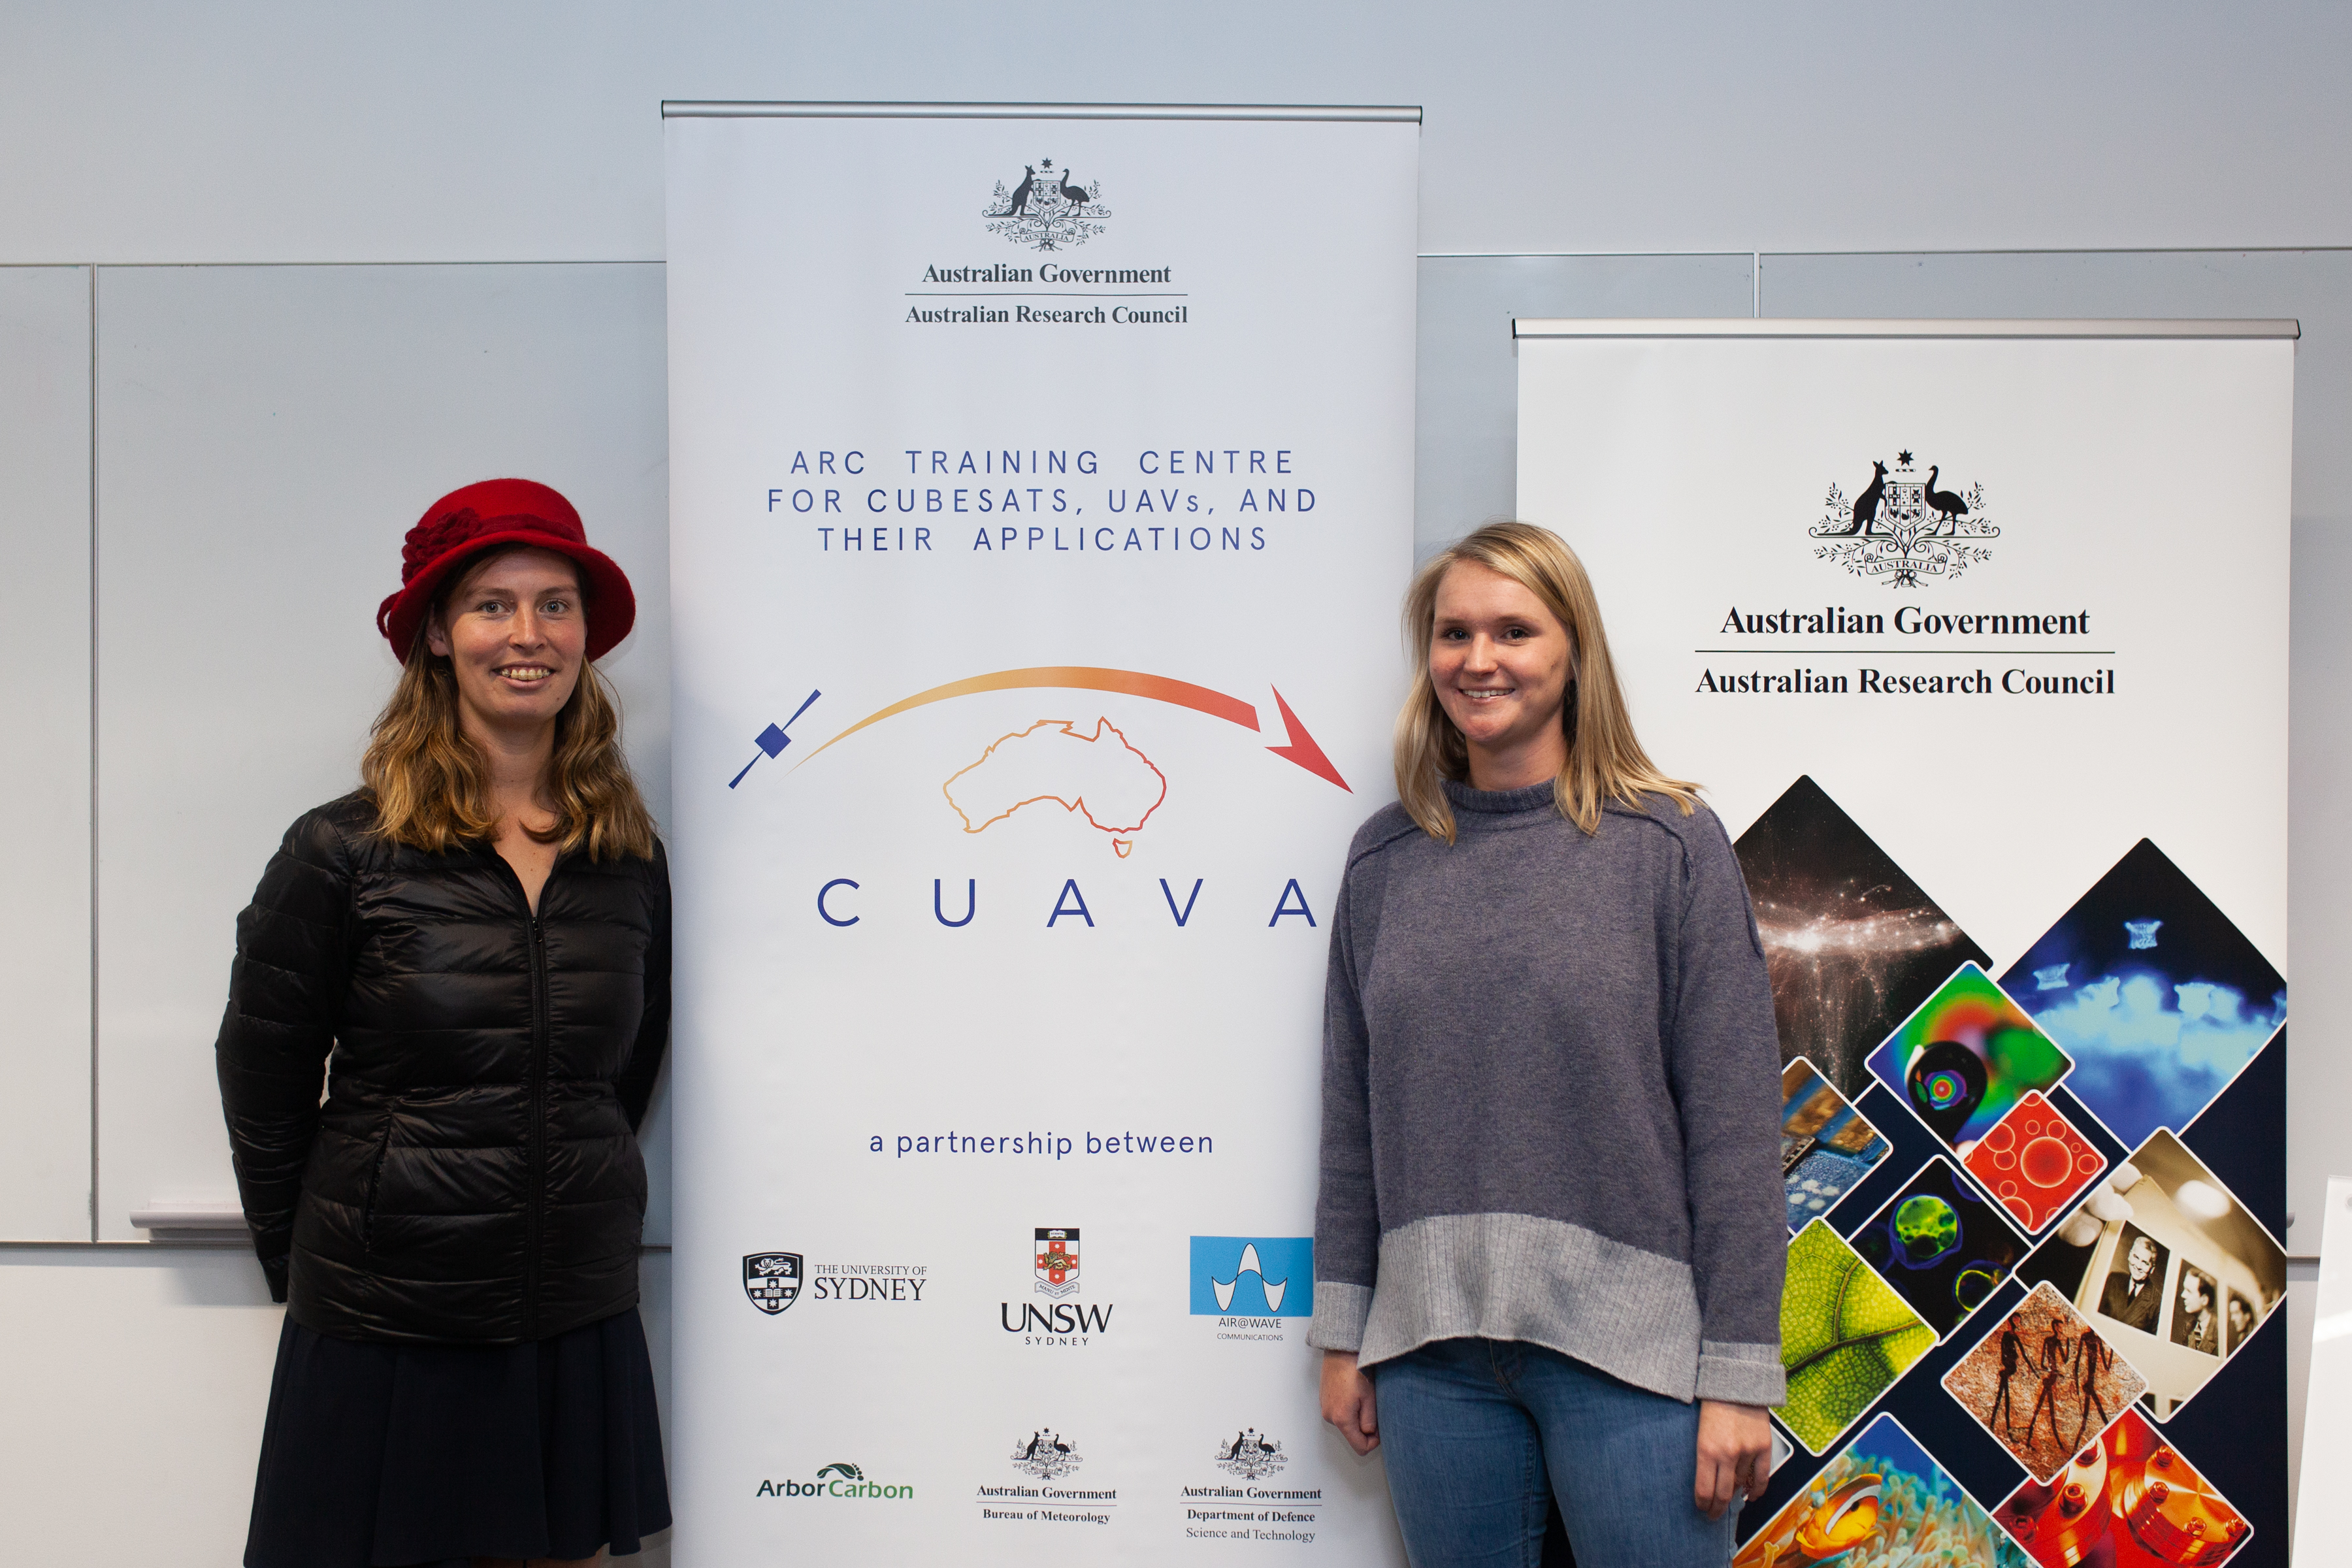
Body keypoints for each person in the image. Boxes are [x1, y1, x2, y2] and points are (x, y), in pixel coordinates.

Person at [216, 479, 672, 1568]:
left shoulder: (626, 855)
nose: (527, 635)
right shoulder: (341, 850)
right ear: (435, 634)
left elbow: (629, 1067)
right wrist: (320, 1266)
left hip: (571, 1311)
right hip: (390, 1319)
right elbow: (262, 1073)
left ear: (585, 637)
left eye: (555, 605)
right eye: (490, 605)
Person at [1311, 522, 1782, 1568]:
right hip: (1431, 1359)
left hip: (1636, 1359)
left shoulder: (1669, 844)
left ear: (1574, 651)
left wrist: (1740, 1375)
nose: (1479, 660)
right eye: (1454, 634)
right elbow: (1352, 1119)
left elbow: (1738, 1129)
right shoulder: (1384, 860)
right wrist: (1343, 1332)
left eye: (1514, 631)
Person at [2099, 1233, 2164, 1332]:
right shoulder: (2114, 1279)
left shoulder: (2157, 1302)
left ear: (2152, 1269)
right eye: (2136, 1257)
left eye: (2145, 1263)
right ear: (2130, 1256)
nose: (2138, 1266)